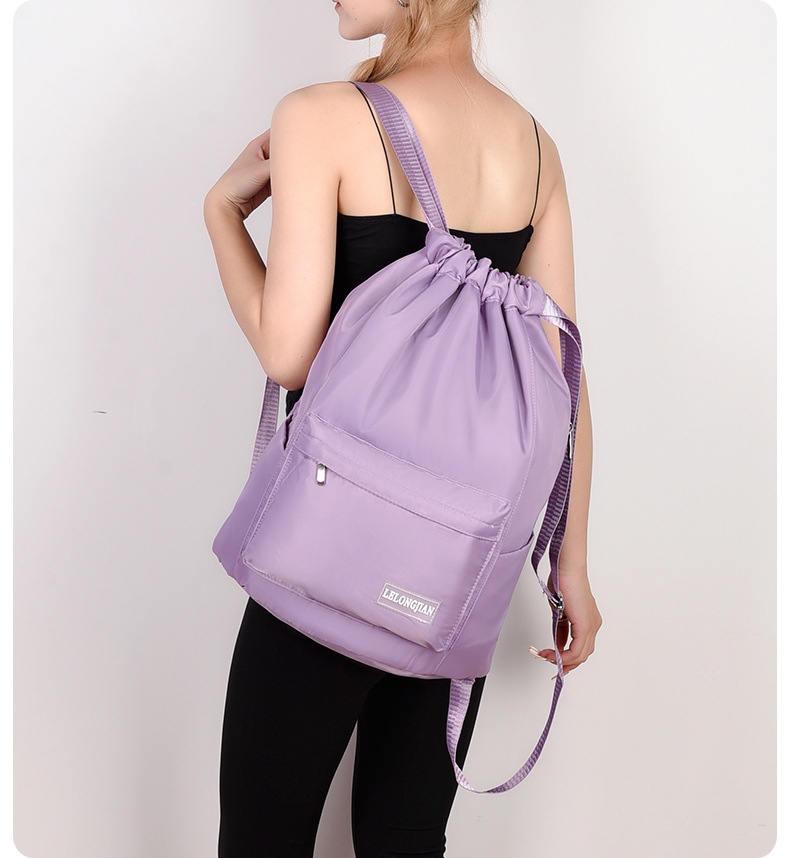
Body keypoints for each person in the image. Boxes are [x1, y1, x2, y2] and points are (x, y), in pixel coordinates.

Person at [203, 0, 602, 855]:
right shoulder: (535, 148)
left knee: (264, 836)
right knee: (406, 836)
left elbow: (288, 355)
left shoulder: (321, 116)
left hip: (327, 556)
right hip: (458, 569)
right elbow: (564, 379)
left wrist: (221, 215)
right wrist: (568, 565)